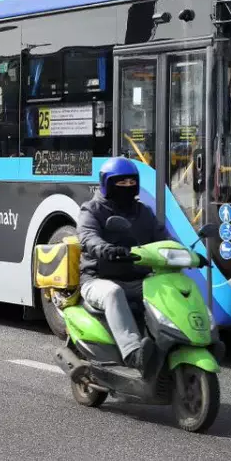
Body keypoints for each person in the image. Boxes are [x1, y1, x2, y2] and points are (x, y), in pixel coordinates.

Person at [76, 157, 171, 374]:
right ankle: (133, 353)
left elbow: (163, 237)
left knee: (169, 288)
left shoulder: (143, 211)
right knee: (113, 293)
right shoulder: (92, 210)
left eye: (131, 182)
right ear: (107, 183)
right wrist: (105, 249)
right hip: (98, 279)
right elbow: (88, 236)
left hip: (137, 278)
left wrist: (185, 252)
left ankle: (173, 342)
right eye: (121, 182)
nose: (127, 186)